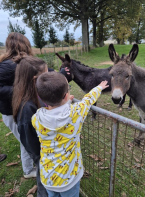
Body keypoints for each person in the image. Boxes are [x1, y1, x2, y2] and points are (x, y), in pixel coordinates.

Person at [32, 71, 109, 197]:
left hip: (47, 176)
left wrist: (66, 103)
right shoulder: (76, 113)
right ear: (66, 95)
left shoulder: (36, 118)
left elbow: (54, 116)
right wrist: (99, 87)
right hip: (69, 179)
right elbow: (88, 100)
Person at [12, 55, 71, 197]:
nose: (49, 78)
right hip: (42, 154)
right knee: (44, 181)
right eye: (46, 75)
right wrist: (44, 153)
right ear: (34, 80)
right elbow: (31, 143)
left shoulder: (35, 96)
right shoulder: (27, 109)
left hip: (47, 151)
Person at [0, 32, 35, 177]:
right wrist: (20, 90)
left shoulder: (17, 63)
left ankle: (29, 168)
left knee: (25, 139)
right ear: (23, 45)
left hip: (17, 110)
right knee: (26, 141)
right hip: (11, 112)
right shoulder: (8, 65)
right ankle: (29, 170)